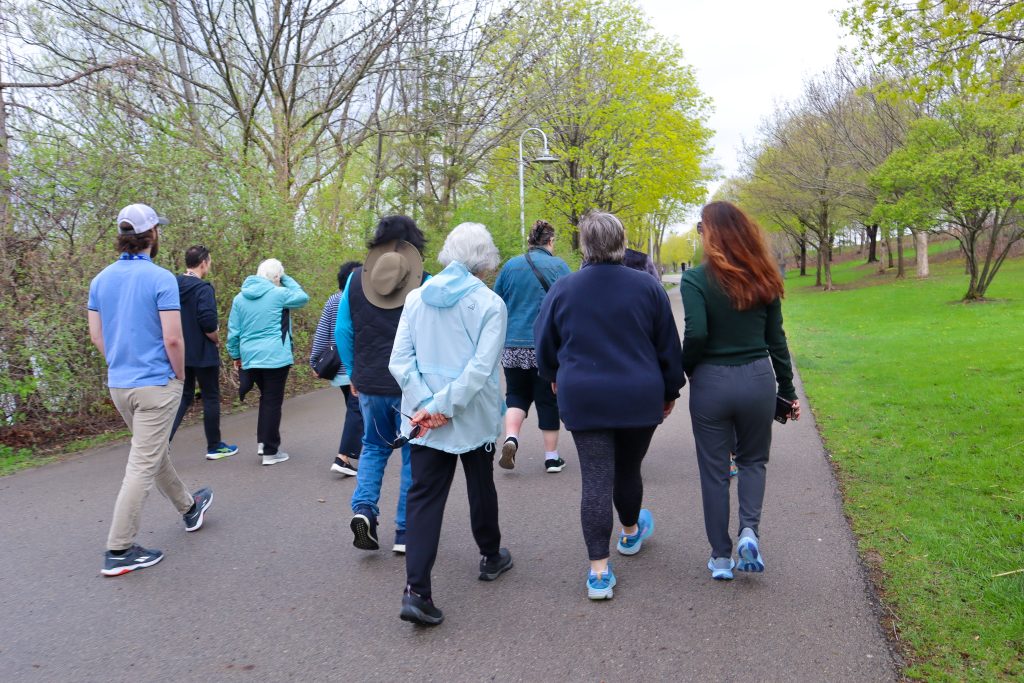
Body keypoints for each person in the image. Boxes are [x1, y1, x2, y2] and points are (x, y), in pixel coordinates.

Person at [534, 211, 684, 600]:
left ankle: (598, 571)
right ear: (621, 242)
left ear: (584, 245)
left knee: (596, 478)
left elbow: (544, 344)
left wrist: (553, 373)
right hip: (639, 395)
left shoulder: (563, 289)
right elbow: (668, 345)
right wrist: (670, 391)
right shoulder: (648, 288)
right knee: (628, 468)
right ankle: (631, 532)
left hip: (584, 395)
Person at [390, 222, 512, 626]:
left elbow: (400, 361)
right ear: (486, 259)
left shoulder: (416, 298)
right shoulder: (490, 304)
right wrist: (444, 406)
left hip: (424, 420)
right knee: (480, 483)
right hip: (470, 416)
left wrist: (427, 405)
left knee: (423, 498)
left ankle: (416, 591)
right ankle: (490, 556)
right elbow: (481, 369)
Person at [87, 203, 213, 576]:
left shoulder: (100, 280)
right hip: (157, 383)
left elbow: (97, 336)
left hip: (120, 384)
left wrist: (122, 362)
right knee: (142, 464)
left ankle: (190, 508)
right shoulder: (161, 279)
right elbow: (173, 339)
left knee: (153, 454)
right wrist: (176, 377)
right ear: (152, 234)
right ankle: (119, 549)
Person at [681, 202, 800, 581]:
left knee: (715, 472)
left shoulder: (695, 280)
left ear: (711, 233)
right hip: (757, 380)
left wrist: (686, 369)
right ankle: (750, 531)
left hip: (712, 382)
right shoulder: (765, 277)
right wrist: (788, 388)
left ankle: (720, 557)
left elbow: (696, 334)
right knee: (753, 461)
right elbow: (776, 340)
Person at [335, 215, 428, 555]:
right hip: (410, 385)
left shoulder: (356, 281)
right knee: (410, 453)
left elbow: (342, 331)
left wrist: (354, 373)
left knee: (373, 446)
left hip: (370, 382)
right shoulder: (424, 282)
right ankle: (405, 531)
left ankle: (364, 511)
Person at [492, 220, 571, 473]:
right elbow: (572, 304)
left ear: (529, 242)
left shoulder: (510, 266)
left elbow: (497, 302)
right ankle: (551, 458)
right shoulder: (559, 266)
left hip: (513, 345)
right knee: (548, 399)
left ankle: (511, 438)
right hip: (545, 346)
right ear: (550, 241)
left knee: (516, 394)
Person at [226, 258, 309, 465]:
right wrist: (285, 278)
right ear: (276, 277)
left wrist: (236, 356)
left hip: (250, 358)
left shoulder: (239, 298)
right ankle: (271, 451)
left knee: (266, 399)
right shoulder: (279, 294)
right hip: (275, 357)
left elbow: (233, 332)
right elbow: (302, 297)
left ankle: (263, 442)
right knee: (272, 401)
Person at [169, 245, 238, 459]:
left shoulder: (173, 284)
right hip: (203, 352)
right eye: (209, 261)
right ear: (203, 263)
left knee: (183, 397)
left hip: (180, 351)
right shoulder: (203, 289)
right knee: (210, 397)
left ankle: (161, 443)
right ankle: (214, 446)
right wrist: (216, 339)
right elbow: (208, 322)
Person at [309, 261, 363, 477]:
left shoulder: (333, 299)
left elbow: (322, 331)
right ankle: (343, 457)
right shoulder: (356, 301)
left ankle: (363, 446)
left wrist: (315, 361)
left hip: (338, 370)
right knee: (357, 409)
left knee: (356, 409)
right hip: (352, 368)